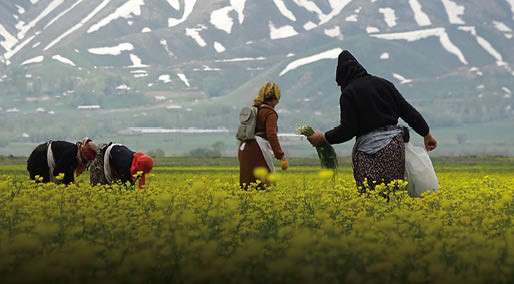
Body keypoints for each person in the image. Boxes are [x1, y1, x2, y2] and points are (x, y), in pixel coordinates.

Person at [308, 50, 437, 190]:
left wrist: (324, 138)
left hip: (366, 153)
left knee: (371, 194)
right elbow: (408, 111)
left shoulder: (349, 93)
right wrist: (426, 134)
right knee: (394, 192)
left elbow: (348, 130)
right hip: (394, 147)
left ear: (341, 77)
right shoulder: (384, 84)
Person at [238, 82, 288, 188]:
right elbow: (271, 134)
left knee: (247, 184)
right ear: (275, 99)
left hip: (244, 148)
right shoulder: (270, 113)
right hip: (258, 149)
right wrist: (280, 155)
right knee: (264, 184)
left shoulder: (255, 109)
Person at [27, 138, 98, 184]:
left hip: (41, 157)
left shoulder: (74, 154)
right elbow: (58, 172)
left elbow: (66, 174)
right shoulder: (72, 154)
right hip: (39, 158)